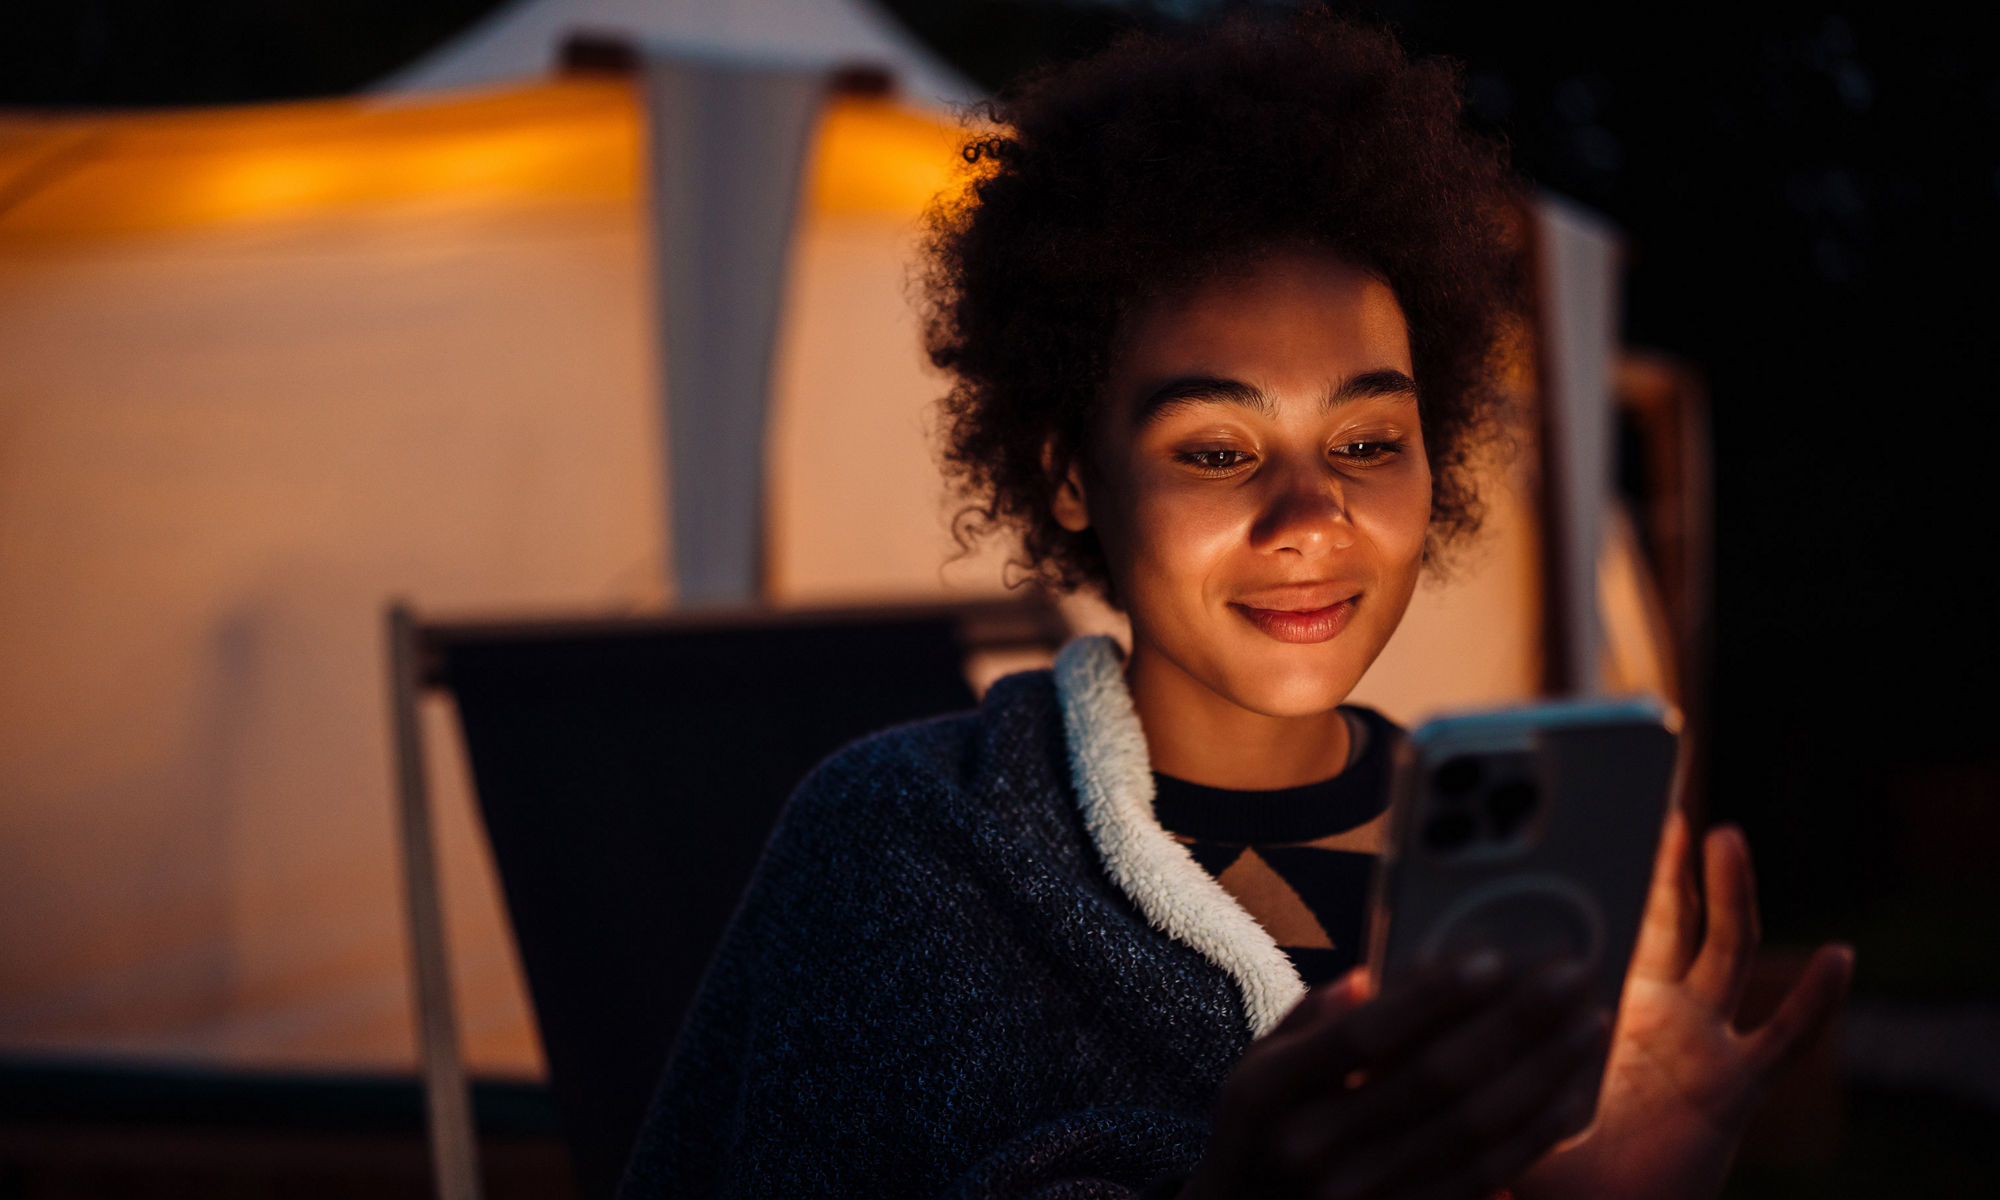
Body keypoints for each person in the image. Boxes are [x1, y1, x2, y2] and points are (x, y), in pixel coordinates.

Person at [617, 8, 1853, 1197]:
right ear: (1068, 478)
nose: (1310, 517)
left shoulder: (1512, 884)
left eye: (1368, 441)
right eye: (1216, 451)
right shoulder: (900, 851)